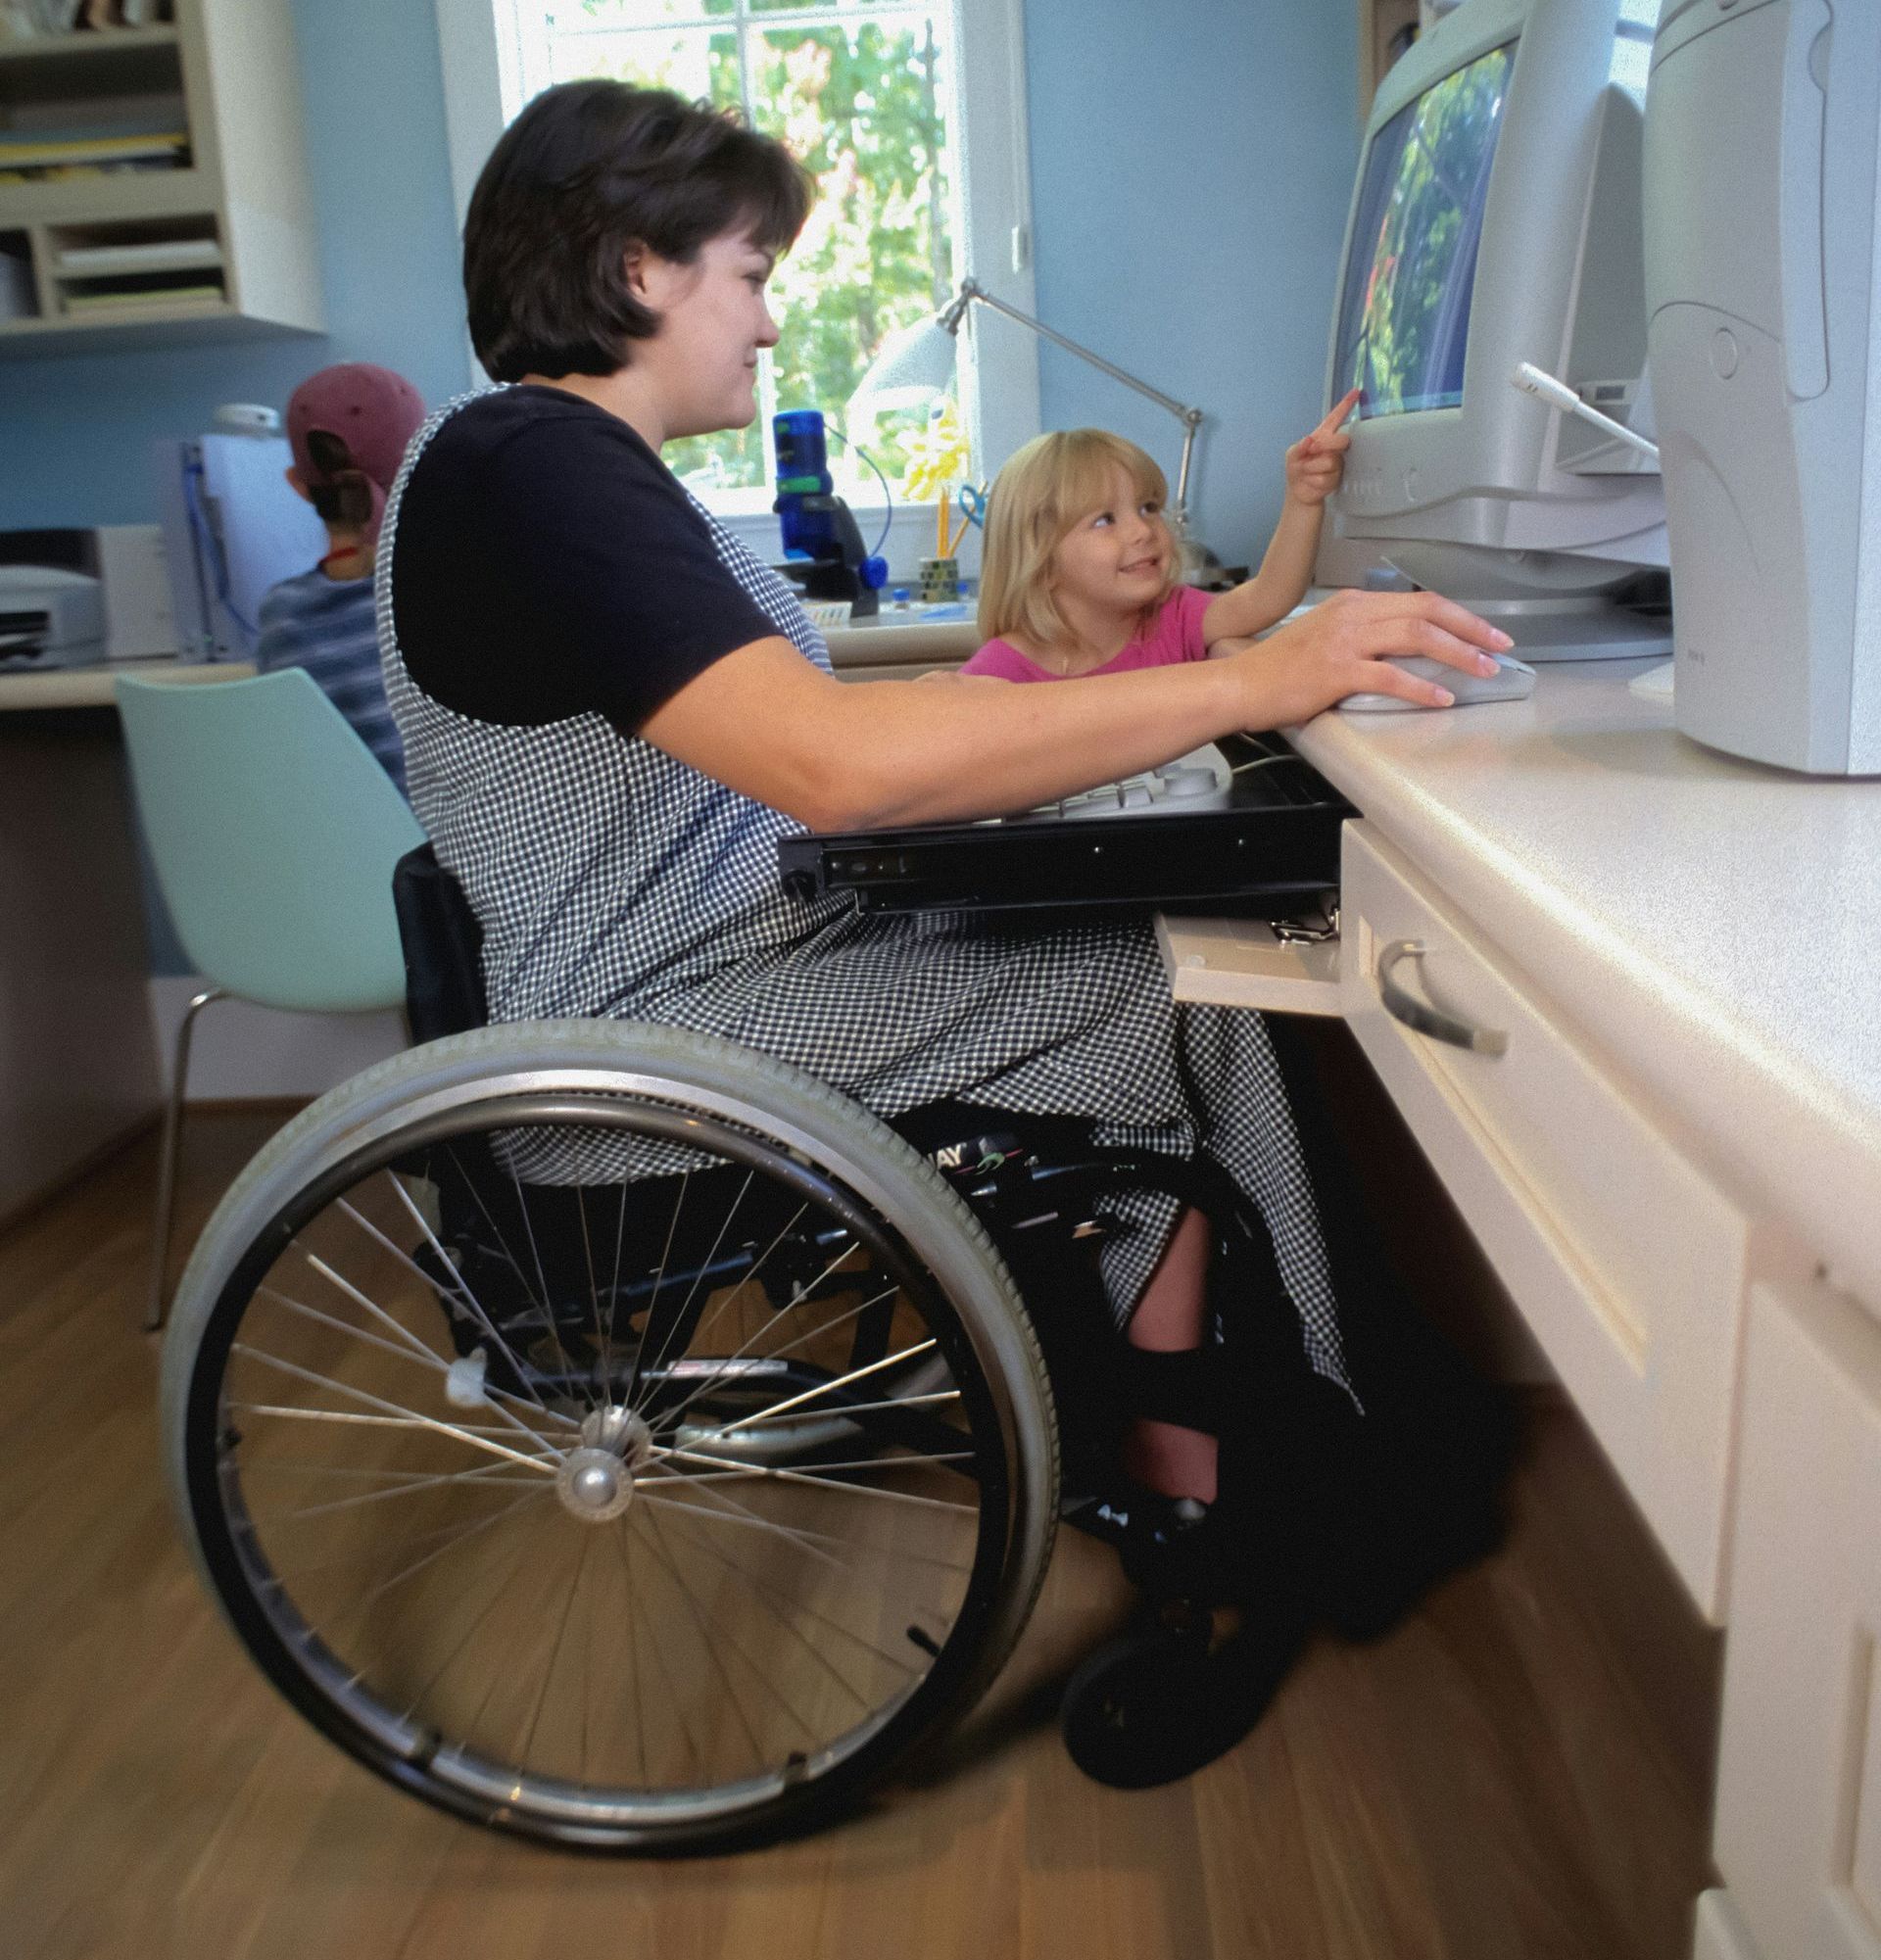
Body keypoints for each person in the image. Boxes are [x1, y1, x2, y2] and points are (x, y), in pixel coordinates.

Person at [379, 80, 1509, 1709]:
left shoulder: (559, 474)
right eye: (750, 274)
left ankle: (1239, 1439)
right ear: (640, 271)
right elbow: (833, 765)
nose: (769, 322)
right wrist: (1246, 678)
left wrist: (1121, 710)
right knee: (1162, 967)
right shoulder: (533, 466)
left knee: (1161, 951)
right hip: (656, 1041)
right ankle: (1236, 1473)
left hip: (726, 973)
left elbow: (861, 738)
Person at [957, 406, 1360, 687]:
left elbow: (1269, 596)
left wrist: (1304, 499)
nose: (1142, 530)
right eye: (1104, 519)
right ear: (1040, 562)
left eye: (1148, 507)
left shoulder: (1174, 618)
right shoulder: (1000, 671)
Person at [254, 361, 426, 792]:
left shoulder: (281, 616)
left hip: (351, 854)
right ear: (423, 466)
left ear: (297, 484)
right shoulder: (462, 593)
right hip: (463, 854)